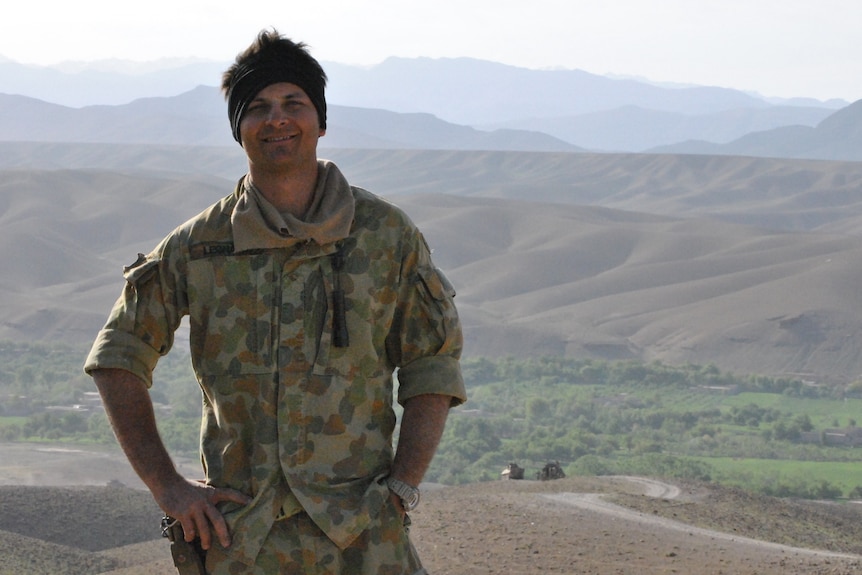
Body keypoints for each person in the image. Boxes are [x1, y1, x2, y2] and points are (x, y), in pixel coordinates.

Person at [84, 28, 466, 575]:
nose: (277, 119)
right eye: (257, 107)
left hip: (361, 536)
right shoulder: (200, 245)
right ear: (239, 129)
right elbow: (118, 355)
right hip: (242, 536)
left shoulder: (384, 235)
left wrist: (403, 486)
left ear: (321, 121)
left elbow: (433, 362)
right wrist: (168, 487)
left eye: (294, 103)